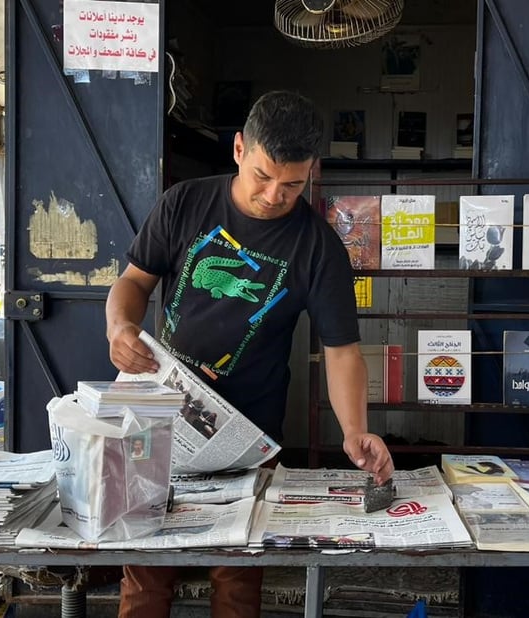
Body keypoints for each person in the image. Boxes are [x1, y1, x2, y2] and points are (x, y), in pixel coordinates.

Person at [105, 90, 394, 618]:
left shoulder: (318, 246)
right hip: (159, 417)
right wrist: (119, 326)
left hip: (248, 434)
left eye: (292, 184)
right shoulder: (185, 203)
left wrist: (355, 431)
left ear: (312, 171)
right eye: (263, 175)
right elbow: (133, 281)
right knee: (145, 573)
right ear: (239, 148)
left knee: (237, 579)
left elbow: (342, 352)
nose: (273, 195)